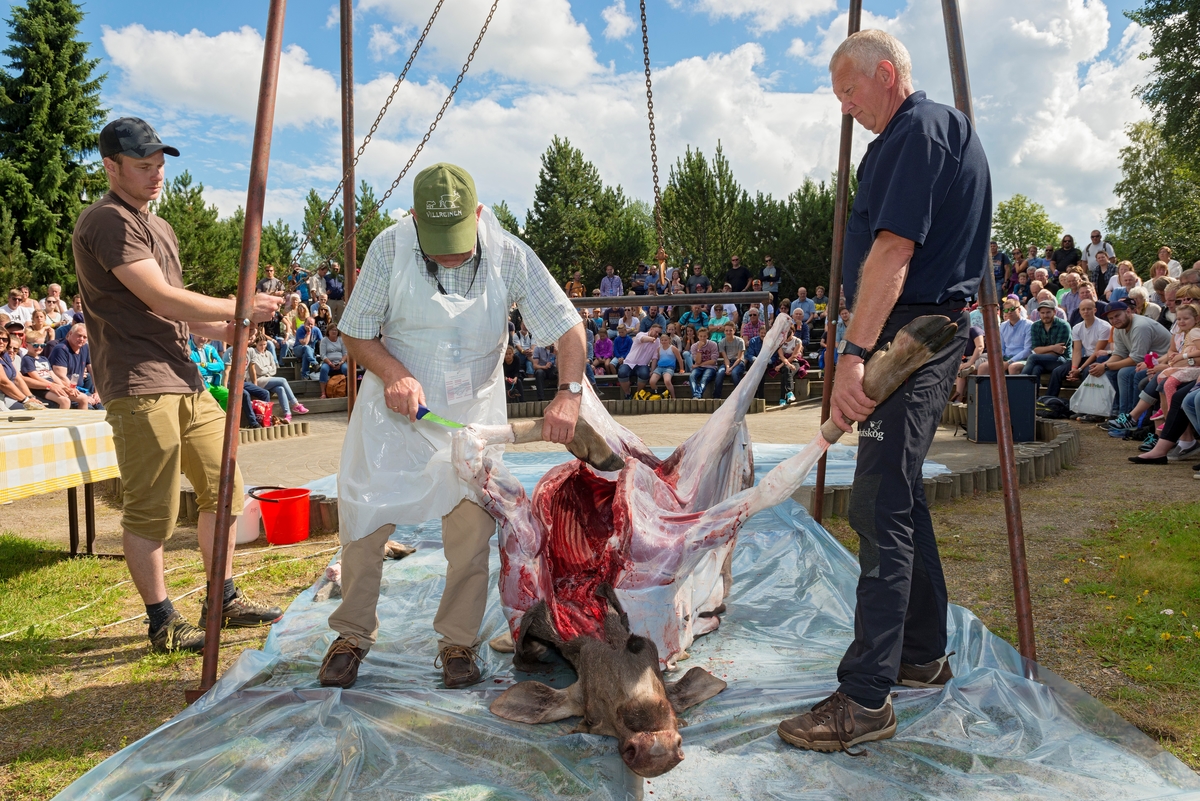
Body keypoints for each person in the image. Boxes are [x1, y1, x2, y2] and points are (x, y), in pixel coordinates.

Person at [777, 30, 988, 752]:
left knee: (877, 502)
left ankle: (866, 698)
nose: (844, 107)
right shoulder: (916, 135)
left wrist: (854, 355)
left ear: (887, 74)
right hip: (912, 328)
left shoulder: (919, 130)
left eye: (849, 90)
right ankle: (921, 652)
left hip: (909, 335)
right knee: (899, 495)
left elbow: (894, 250)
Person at [319, 163, 585, 691]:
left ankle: (457, 642)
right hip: (395, 414)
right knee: (364, 521)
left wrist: (568, 395)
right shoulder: (389, 248)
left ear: (479, 213)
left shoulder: (508, 253)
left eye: (459, 240)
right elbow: (355, 334)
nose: (448, 253)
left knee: (471, 531)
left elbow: (568, 327)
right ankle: (351, 636)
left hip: (472, 419)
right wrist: (395, 374)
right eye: (436, 241)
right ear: (414, 218)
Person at [71, 117, 284, 653]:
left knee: (225, 489)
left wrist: (234, 325)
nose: (156, 175)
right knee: (153, 509)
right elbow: (162, 299)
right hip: (140, 382)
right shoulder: (108, 222)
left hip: (184, 378)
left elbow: (180, 316)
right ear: (110, 167)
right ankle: (162, 620)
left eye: (160, 164)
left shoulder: (157, 226)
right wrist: (239, 307)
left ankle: (223, 598)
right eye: (143, 166)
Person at [1099, 301, 1174, 427]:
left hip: (1163, 362)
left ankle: (1131, 419)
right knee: (1110, 371)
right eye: (1111, 318)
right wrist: (1104, 366)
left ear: (1128, 311)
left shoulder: (1140, 326)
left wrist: (1106, 365)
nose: (1114, 320)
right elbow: (1119, 353)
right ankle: (1119, 414)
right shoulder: (1118, 327)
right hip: (1146, 362)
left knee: (1126, 373)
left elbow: (1136, 359)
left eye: (1117, 316)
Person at [1046, 298, 1110, 398]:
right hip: (1086, 357)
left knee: (1086, 372)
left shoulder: (1104, 327)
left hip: (1101, 358)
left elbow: (1096, 352)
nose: (1086, 311)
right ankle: (1048, 400)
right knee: (1057, 371)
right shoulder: (1077, 327)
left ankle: (1085, 405)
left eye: (1089, 309)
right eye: (1083, 309)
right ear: (1079, 311)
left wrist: (1079, 370)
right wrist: (1073, 369)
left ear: (1095, 310)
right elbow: (1076, 351)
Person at [247, 335, 308, 421]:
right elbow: (259, 371)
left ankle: (288, 414)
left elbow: (274, 370)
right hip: (257, 380)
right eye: (260, 345)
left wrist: (267, 369)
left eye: (264, 344)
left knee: (280, 389)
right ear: (256, 344)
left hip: (268, 379)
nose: (263, 347)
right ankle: (295, 404)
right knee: (283, 380)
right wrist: (268, 368)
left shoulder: (268, 353)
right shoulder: (254, 353)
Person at [48, 324, 102, 409]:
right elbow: (61, 376)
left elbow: (94, 371)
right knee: (90, 410)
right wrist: (81, 396)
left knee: (103, 407)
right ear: (70, 334)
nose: (82, 339)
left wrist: (97, 393)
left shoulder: (85, 348)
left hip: (80, 390)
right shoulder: (61, 349)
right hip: (66, 390)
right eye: (79, 335)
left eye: (85, 337)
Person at [1019, 300, 1072, 381]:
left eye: (1048, 312)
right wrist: (1053, 347)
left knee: (1032, 358)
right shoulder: (1035, 326)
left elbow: (1059, 351)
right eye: (1042, 313)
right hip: (1043, 360)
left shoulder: (1063, 325)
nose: (1045, 315)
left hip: (1062, 360)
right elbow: (1036, 349)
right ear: (1039, 313)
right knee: (1036, 368)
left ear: (1054, 312)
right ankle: (1032, 393)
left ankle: (1020, 385)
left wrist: (1043, 350)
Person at [0, 328, 46, 409]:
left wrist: (31, 397)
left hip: (7, 397)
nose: (1, 342)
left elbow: (17, 378)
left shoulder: (4, 354)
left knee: (39, 409)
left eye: (4, 339)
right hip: (3, 398)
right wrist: (26, 400)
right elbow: (4, 383)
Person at [619, 322, 659, 398]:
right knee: (622, 372)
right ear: (651, 329)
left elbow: (655, 358)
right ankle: (628, 394)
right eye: (656, 332)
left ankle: (637, 394)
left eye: (659, 333)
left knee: (644, 374)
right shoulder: (640, 334)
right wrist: (652, 339)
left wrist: (652, 370)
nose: (657, 334)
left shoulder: (658, 342)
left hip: (643, 365)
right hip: (629, 363)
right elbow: (643, 339)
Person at [714, 321, 746, 396]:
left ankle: (739, 395)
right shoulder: (721, 342)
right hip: (727, 362)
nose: (728, 332)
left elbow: (739, 358)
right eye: (726, 330)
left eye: (730, 330)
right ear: (724, 331)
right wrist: (728, 367)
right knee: (719, 373)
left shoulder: (740, 341)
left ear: (734, 331)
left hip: (738, 363)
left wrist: (731, 368)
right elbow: (725, 358)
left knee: (734, 373)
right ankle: (716, 396)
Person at [647, 330, 683, 397]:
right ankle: (658, 394)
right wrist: (653, 370)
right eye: (662, 340)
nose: (664, 341)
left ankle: (673, 397)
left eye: (666, 340)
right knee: (652, 382)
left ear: (669, 340)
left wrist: (681, 369)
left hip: (669, 368)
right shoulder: (659, 349)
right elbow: (658, 359)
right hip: (659, 367)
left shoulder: (673, 348)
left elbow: (680, 359)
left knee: (667, 381)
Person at [317, 324, 349, 398]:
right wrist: (330, 363)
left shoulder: (341, 339)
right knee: (324, 369)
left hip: (340, 362)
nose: (334, 331)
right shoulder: (324, 340)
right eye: (332, 330)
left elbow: (345, 353)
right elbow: (322, 355)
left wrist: (341, 362)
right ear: (328, 331)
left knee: (346, 369)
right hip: (328, 362)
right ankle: (323, 392)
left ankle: (348, 390)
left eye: (335, 330)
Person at [689, 326, 719, 398]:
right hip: (698, 367)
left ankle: (697, 395)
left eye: (704, 336)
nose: (702, 338)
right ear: (698, 336)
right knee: (692, 376)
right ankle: (697, 395)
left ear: (707, 336)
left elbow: (713, 361)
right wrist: (699, 349)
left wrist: (699, 365)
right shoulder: (694, 346)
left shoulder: (713, 344)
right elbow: (698, 361)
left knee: (704, 378)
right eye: (701, 336)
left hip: (710, 367)